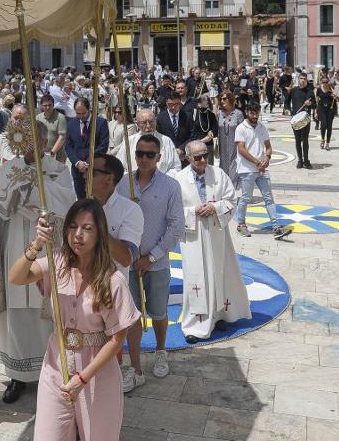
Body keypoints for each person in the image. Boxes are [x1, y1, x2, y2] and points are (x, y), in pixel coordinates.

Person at [11, 199, 139, 441]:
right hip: (56, 364)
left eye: (87, 228)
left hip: (96, 373)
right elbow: (18, 276)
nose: (78, 235)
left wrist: (83, 377)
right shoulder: (56, 267)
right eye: (73, 227)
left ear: (100, 234)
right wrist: (36, 245)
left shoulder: (112, 279)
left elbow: (118, 338)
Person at [0, 120, 75, 403]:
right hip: (16, 245)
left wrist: (34, 189)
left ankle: (52, 371)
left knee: (46, 310)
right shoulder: (8, 168)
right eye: (24, 138)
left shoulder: (59, 170)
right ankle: (18, 375)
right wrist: (19, 188)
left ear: (45, 141)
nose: (30, 143)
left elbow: (66, 203)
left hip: (48, 245)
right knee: (17, 311)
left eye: (35, 138)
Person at [122, 134, 184, 390]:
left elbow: (176, 225)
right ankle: (135, 366)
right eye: (139, 154)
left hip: (156, 263)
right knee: (132, 315)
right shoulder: (123, 184)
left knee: (158, 312)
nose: (144, 159)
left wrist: (152, 256)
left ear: (159, 158)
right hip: (128, 263)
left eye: (150, 154)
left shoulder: (170, 186)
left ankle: (160, 350)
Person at [173, 140, 251, 343]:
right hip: (193, 236)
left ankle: (218, 316)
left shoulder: (219, 174)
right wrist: (193, 211)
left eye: (205, 155)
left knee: (219, 274)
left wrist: (215, 208)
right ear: (188, 158)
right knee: (196, 278)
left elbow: (232, 200)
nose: (202, 160)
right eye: (197, 157)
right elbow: (172, 210)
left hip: (217, 234)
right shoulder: (178, 179)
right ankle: (195, 324)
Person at [233, 103, 291, 239]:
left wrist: (267, 157)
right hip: (247, 169)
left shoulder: (262, 127)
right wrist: (257, 162)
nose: (254, 116)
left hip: (262, 169)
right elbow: (241, 149)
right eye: (252, 113)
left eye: (256, 113)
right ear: (247, 112)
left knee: (268, 198)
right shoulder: (241, 128)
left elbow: (268, 146)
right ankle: (241, 224)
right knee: (246, 197)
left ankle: (276, 226)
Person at [64, 97, 109, 198]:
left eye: (83, 113)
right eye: (78, 114)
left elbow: (103, 146)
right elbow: (68, 147)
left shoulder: (100, 123)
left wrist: (89, 162)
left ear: (88, 109)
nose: (80, 117)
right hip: (77, 170)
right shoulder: (71, 124)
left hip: (95, 169)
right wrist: (77, 162)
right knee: (81, 200)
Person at [156, 87, 193, 167]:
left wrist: (181, 149)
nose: (173, 107)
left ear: (180, 103)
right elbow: (159, 137)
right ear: (166, 103)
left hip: (184, 157)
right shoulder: (160, 118)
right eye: (170, 105)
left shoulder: (187, 116)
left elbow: (192, 136)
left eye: (176, 104)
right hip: (167, 158)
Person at [287, 74, 315, 168]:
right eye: (301, 78)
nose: (303, 80)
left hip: (305, 119)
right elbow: (287, 101)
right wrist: (289, 111)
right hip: (295, 119)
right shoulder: (294, 90)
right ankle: (300, 160)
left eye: (304, 79)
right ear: (298, 79)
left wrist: (310, 103)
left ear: (307, 80)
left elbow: (315, 105)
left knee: (305, 140)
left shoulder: (310, 92)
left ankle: (306, 160)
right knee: (298, 140)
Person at [37, 93, 68, 163]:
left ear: (53, 105)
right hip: (42, 154)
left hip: (58, 155)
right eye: (45, 105)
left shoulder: (60, 117)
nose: (47, 107)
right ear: (41, 106)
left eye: (50, 105)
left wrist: (52, 152)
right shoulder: (38, 117)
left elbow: (62, 137)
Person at [315, 80, 337, 151]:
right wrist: (316, 111)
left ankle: (327, 143)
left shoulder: (332, 89)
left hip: (330, 110)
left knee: (329, 127)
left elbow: (338, 99)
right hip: (321, 109)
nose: (324, 84)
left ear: (329, 82)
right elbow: (317, 101)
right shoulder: (319, 89)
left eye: (326, 82)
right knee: (323, 125)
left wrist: (335, 96)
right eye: (323, 82)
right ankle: (322, 140)